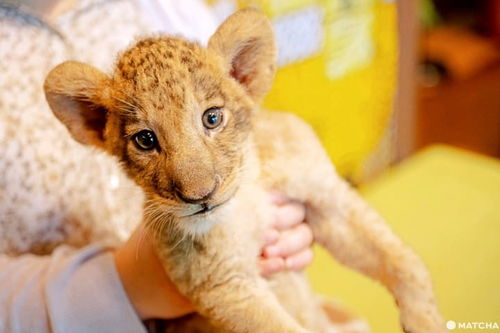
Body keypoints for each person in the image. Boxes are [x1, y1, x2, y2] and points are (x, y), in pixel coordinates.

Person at [0, 1, 314, 331]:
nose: (197, 189)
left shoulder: (169, 9)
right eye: (146, 140)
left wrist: (283, 215)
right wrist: (122, 286)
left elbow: (242, 129)